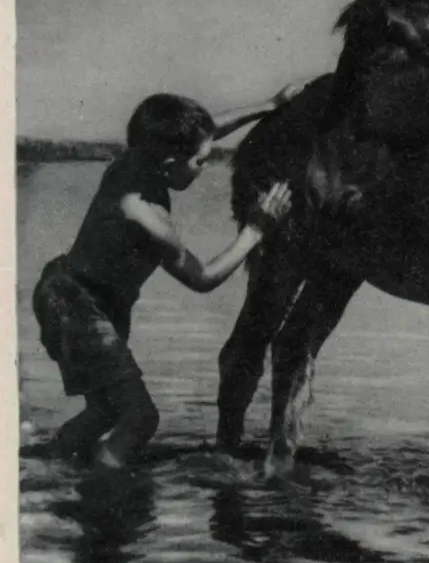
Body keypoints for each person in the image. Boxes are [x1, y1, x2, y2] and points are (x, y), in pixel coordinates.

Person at [32, 83, 305, 470]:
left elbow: (207, 132)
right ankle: (102, 489)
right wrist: (255, 231)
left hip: (76, 292)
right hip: (76, 305)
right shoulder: (147, 218)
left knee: (107, 410)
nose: (205, 166)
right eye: (200, 162)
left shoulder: (133, 162)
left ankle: (51, 468)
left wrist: (269, 105)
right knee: (140, 418)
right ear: (169, 164)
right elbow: (203, 278)